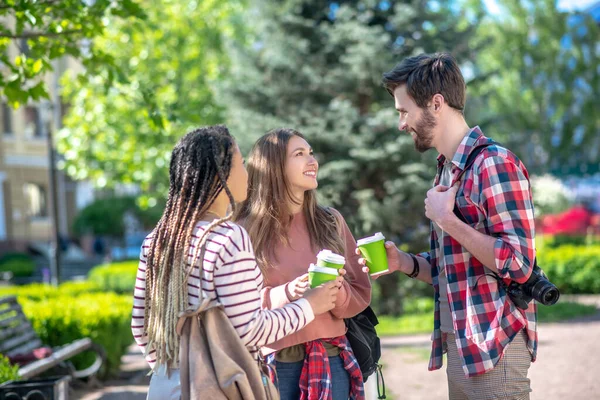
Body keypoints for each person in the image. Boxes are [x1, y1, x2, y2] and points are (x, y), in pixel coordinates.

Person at [358, 53, 537, 399]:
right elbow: (454, 267)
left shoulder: (494, 164)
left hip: (496, 346)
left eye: (403, 111)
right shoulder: (447, 171)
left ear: (436, 103)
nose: (401, 123)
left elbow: (519, 263)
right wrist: (404, 263)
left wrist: (446, 219)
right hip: (463, 345)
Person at [130, 125, 344, 400]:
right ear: (223, 175)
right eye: (241, 163)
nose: (248, 172)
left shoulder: (159, 239)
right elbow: (251, 331)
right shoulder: (229, 238)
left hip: (165, 387)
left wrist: (175, 371)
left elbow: (141, 327)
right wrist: (309, 306)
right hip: (218, 389)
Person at [236, 128, 371, 400]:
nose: (313, 161)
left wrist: (336, 291)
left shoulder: (331, 220)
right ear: (273, 166)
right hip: (275, 363)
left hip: (333, 358)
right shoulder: (243, 230)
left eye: (311, 153)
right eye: (299, 154)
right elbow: (237, 307)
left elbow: (361, 294)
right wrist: (289, 293)